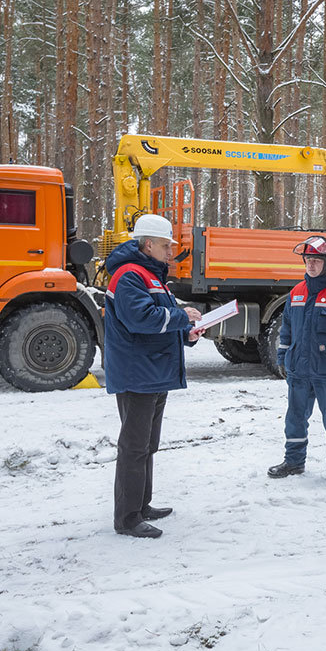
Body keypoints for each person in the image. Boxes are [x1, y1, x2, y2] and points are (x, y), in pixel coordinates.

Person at [104, 214, 202, 539]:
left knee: (148, 444)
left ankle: (141, 504)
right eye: (165, 245)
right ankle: (128, 517)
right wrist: (180, 316)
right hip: (138, 373)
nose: (170, 252)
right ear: (148, 244)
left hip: (153, 372)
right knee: (134, 446)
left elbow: (162, 321)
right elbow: (141, 319)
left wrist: (187, 332)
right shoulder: (129, 276)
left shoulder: (151, 276)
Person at [269, 235, 326, 487]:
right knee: (295, 418)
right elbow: (286, 330)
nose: (311, 265)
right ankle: (294, 462)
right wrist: (282, 357)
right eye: (308, 260)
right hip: (299, 368)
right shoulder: (297, 292)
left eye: (316, 260)